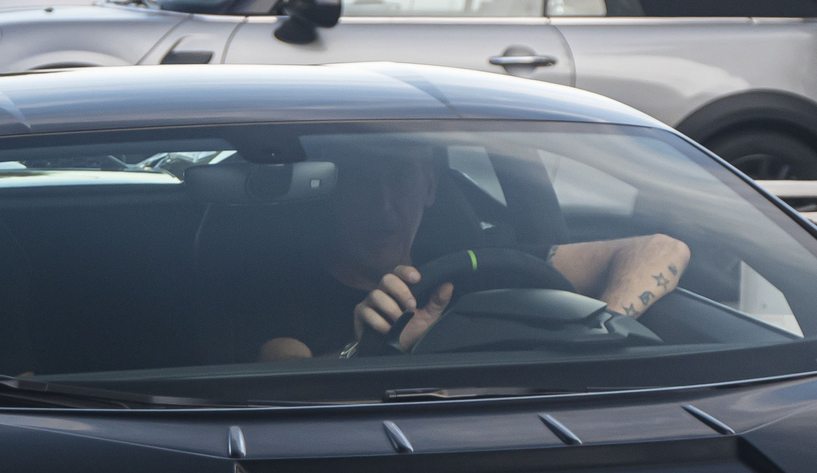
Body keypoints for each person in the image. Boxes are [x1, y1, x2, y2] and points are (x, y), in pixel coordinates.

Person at [248, 146, 690, 360]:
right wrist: (361, 352)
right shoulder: (282, 292)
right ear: (332, 190)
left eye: (401, 179)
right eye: (363, 182)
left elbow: (660, 249)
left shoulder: (480, 264)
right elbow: (287, 393)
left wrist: (608, 332)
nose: (384, 206)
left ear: (430, 187)